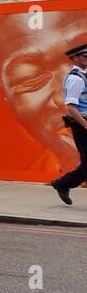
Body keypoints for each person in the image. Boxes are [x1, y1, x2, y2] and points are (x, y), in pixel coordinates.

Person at [49, 43, 87, 205]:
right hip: (82, 124)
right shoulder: (76, 79)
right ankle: (63, 183)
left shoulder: (82, 76)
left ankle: (62, 183)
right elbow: (71, 107)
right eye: (85, 57)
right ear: (76, 58)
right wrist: (85, 125)